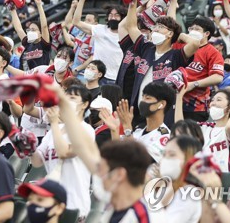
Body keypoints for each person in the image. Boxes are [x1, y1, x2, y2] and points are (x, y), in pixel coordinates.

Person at [46, 84, 162, 221]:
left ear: (119, 175)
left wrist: (123, 129)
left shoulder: (140, 215)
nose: (100, 176)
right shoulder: (113, 207)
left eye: (104, 171)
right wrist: (115, 130)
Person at [125, 0, 199, 126]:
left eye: (160, 27)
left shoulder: (176, 56)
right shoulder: (146, 48)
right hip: (140, 111)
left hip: (164, 114)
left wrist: (179, 35)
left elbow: (194, 44)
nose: (155, 30)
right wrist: (132, 3)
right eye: (155, 27)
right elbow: (131, 27)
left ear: (170, 34)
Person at [31, 85, 95, 220]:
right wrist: (26, 147)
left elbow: (64, 152)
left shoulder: (86, 130)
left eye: (72, 98)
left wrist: (53, 123)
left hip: (74, 203)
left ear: (84, 105)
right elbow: (37, 162)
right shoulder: (55, 130)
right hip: (52, 201)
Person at [176, 88, 230, 176]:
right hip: (206, 180)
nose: (213, 103)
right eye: (212, 100)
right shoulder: (205, 127)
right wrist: (179, 97)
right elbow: (180, 127)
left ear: (229, 107)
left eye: (219, 100)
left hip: (227, 183)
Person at [115, 82, 176, 163]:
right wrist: (114, 129)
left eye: (147, 98)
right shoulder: (138, 129)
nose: (142, 102)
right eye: (142, 97)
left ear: (162, 104)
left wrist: (127, 130)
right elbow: (117, 153)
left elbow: (139, 163)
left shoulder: (165, 137)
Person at [72, 0, 125, 84]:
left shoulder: (126, 34)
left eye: (116, 15)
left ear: (122, 18)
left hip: (116, 78)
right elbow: (76, 22)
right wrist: (82, 0)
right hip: (97, 77)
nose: (113, 18)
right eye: (110, 15)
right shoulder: (100, 29)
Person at [181, 17, 224, 122]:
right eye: (191, 28)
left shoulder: (213, 52)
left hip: (195, 106)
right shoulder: (183, 47)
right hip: (176, 101)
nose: (192, 31)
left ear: (206, 33)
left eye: (197, 29)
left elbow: (218, 77)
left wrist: (194, 84)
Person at [151, 136, 202, 222]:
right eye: (164, 155)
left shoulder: (189, 194)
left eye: (172, 155)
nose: (165, 159)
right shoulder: (166, 189)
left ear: (189, 159)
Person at [11, 0, 51, 69]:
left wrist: (39, 5)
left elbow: (44, 26)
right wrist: (13, 10)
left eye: (33, 30)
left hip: (41, 78)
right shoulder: (28, 43)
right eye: (29, 30)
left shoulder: (43, 44)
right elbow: (18, 28)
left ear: (40, 33)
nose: (30, 32)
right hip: (25, 78)